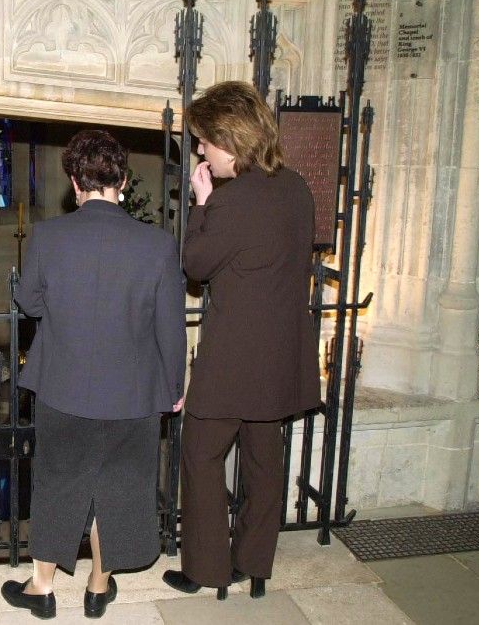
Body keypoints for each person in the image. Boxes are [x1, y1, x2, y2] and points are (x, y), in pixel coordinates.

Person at [1, 129, 187, 619]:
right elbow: (171, 327)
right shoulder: (158, 245)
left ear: (74, 181)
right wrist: (174, 388)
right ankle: (98, 588)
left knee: (58, 482)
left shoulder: (49, 236)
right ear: (122, 181)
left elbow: (29, 302)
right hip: (133, 396)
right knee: (119, 489)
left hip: (63, 390)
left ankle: (42, 589)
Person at [162, 80, 322, 600]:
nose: (201, 151)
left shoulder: (233, 202)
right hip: (280, 357)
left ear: (229, 140)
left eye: (205, 142)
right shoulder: (297, 188)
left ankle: (208, 568)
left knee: (202, 455)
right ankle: (255, 566)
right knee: (263, 461)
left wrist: (203, 203)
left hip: (233, 360)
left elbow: (196, 265)